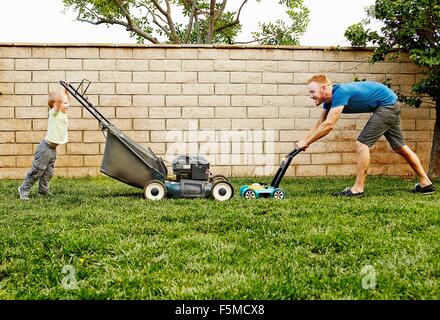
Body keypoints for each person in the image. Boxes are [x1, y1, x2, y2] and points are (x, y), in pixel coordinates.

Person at [296, 74, 435, 197]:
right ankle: (426, 184)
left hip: (387, 105)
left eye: (312, 91)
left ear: (325, 88)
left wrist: (308, 142)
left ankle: (358, 189)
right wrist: (304, 140)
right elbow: (320, 123)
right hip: (389, 103)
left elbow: (329, 125)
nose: (311, 95)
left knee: (362, 143)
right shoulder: (328, 101)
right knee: (399, 146)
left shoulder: (340, 93)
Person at [18, 82, 71, 200]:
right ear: (55, 104)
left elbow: (65, 100)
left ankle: (43, 191)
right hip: (45, 148)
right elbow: (59, 101)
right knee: (37, 171)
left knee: (49, 173)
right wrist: (62, 89)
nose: (68, 104)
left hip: (52, 150)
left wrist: (66, 90)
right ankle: (24, 189)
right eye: (65, 102)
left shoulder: (63, 113)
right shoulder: (54, 113)